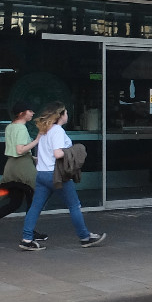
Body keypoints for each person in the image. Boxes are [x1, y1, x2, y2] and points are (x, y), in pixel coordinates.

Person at [18, 102, 106, 250]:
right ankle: (85, 237)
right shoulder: (57, 130)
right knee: (74, 205)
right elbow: (57, 153)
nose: (67, 115)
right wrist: (73, 151)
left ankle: (26, 239)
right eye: (65, 112)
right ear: (60, 115)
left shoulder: (45, 131)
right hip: (57, 175)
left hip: (42, 174)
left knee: (35, 207)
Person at [0, 102, 48, 243]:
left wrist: (32, 157)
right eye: (30, 111)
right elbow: (20, 150)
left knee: (15, 203)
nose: (32, 113)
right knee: (35, 198)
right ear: (21, 113)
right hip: (22, 167)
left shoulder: (10, 127)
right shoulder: (21, 128)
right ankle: (29, 232)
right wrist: (37, 140)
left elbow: (15, 150)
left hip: (11, 165)